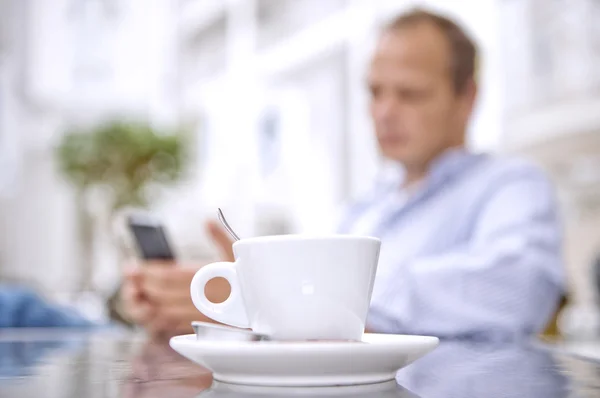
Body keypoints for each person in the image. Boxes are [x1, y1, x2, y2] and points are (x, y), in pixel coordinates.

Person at [121, 8, 565, 339]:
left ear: (466, 97)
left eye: (410, 94)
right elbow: (303, 319)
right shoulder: (365, 208)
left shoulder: (510, 186)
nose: (384, 112)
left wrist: (285, 294)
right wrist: (224, 300)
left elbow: (517, 289)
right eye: (375, 92)